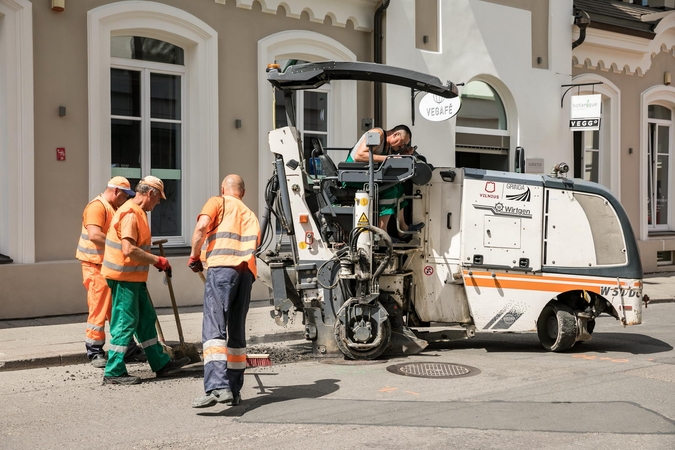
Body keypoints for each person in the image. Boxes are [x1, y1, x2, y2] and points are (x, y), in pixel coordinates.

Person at [100, 175, 190, 385]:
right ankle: (114, 371)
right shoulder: (131, 213)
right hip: (124, 278)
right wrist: (157, 260)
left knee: (146, 320)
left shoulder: (137, 212)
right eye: (158, 199)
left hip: (132, 278)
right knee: (125, 322)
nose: (158, 204)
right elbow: (129, 249)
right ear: (150, 194)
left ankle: (160, 363)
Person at [188, 174, 260, 408]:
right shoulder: (249, 214)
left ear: (223, 189)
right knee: (236, 333)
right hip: (246, 273)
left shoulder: (218, 202)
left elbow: (201, 228)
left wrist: (194, 254)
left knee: (214, 327)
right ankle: (234, 389)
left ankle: (218, 387)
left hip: (222, 270)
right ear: (243, 192)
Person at [75, 176, 146, 368]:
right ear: (115, 191)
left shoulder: (113, 207)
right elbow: (94, 235)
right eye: (125, 195)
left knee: (116, 309)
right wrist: (119, 247)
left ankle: (128, 348)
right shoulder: (97, 207)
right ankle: (95, 351)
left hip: (107, 266)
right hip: (94, 266)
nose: (126, 199)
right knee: (99, 309)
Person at [345, 125, 424, 239]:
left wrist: (403, 154)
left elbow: (383, 158)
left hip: (365, 176)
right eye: (402, 142)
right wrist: (389, 158)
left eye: (405, 145)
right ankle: (382, 233)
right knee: (390, 190)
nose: (402, 146)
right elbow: (359, 155)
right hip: (353, 177)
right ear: (395, 134)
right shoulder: (378, 134)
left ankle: (403, 228)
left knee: (398, 187)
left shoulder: (388, 146)